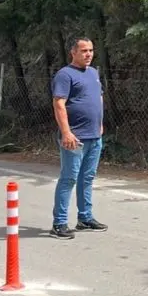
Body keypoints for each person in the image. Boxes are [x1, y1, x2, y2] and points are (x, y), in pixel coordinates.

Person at [51, 36, 108, 239]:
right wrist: (66, 132)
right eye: (84, 51)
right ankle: (59, 223)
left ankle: (85, 218)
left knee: (87, 177)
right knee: (69, 178)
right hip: (75, 137)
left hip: (94, 136)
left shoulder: (93, 73)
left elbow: (98, 97)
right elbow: (59, 104)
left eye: (91, 50)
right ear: (73, 52)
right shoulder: (65, 75)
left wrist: (100, 123)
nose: (88, 54)